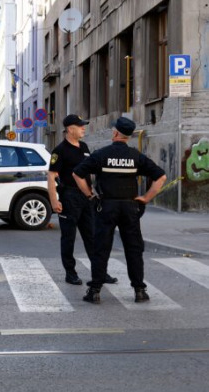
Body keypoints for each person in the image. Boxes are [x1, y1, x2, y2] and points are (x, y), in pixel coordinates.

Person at [73, 117, 166, 304]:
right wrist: (146, 198)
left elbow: (77, 174)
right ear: (129, 136)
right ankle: (139, 291)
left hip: (106, 206)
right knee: (133, 249)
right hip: (130, 207)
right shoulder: (136, 156)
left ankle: (95, 291)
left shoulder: (101, 155)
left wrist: (90, 195)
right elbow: (161, 177)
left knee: (101, 248)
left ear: (115, 133)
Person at [48, 115, 117, 286]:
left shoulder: (84, 147)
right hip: (69, 197)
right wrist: (53, 201)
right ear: (70, 129)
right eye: (80, 126)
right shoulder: (60, 150)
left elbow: (90, 171)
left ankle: (100, 272)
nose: (83, 128)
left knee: (93, 236)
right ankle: (70, 273)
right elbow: (51, 176)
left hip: (86, 198)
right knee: (68, 237)